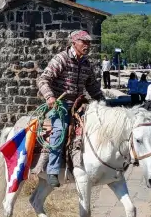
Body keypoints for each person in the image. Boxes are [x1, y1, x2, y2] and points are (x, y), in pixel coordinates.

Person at [37, 30, 106, 188]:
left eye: (89, 43)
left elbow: (93, 87)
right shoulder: (61, 59)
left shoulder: (86, 64)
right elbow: (43, 79)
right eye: (84, 42)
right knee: (59, 131)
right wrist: (50, 97)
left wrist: (104, 103)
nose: (87, 45)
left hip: (78, 106)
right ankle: (52, 170)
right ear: (74, 43)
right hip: (60, 105)